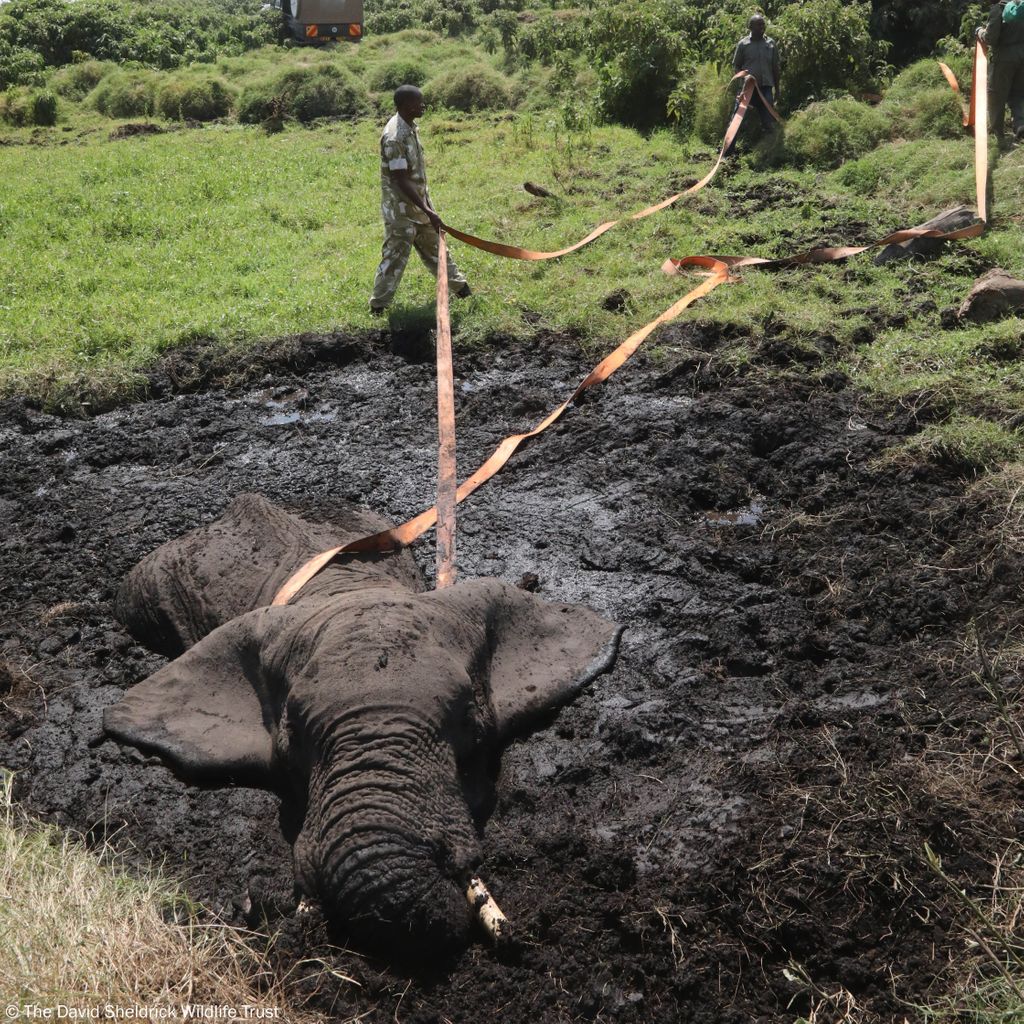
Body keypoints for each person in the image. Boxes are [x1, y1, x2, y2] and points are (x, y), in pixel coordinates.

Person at [369, 85, 471, 314]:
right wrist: (428, 209)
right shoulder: (395, 136)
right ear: (407, 106)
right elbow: (400, 180)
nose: (423, 106)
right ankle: (378, 307)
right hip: (402, 213)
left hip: (420, 208)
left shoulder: (410, 128)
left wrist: (427, 208)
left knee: (438, 251)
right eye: (419, 102)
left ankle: (463, 292)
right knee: (394, 259)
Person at [725, 13, 781, 156]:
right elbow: (736, 66)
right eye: (759, 24)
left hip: (766, 88)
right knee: (736, 122)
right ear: (750, 27)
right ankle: (728, 154)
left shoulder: (771, 43)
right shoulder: (743, 44)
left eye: (763, 24)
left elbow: (775, 68)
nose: (762, 27)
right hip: (747, 89)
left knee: (769, 122)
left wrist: (778, 90)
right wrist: (745, 77)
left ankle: (772, 154)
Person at [979, 0, 1024, 144]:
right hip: (1022, 56)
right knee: (1017, 93)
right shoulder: (1019, 6)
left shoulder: (998, 9)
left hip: (1004, 58)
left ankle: (997, 133)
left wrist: (980, 32)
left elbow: (990, 38)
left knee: (997, 95)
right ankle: (1020, 126)